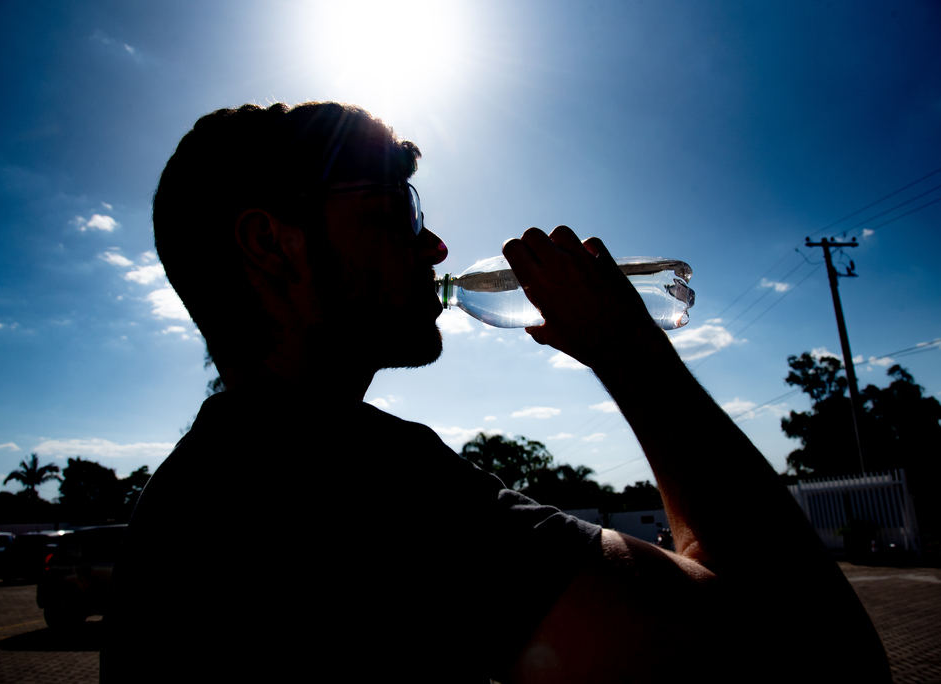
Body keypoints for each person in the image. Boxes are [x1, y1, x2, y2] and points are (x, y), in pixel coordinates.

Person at [101, 102, 890, 683]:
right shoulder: (335, 472)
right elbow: (816, 662)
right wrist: (630, 353)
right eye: (391, 212)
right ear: (271, 244)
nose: (436, 245)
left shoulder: (211, 480)